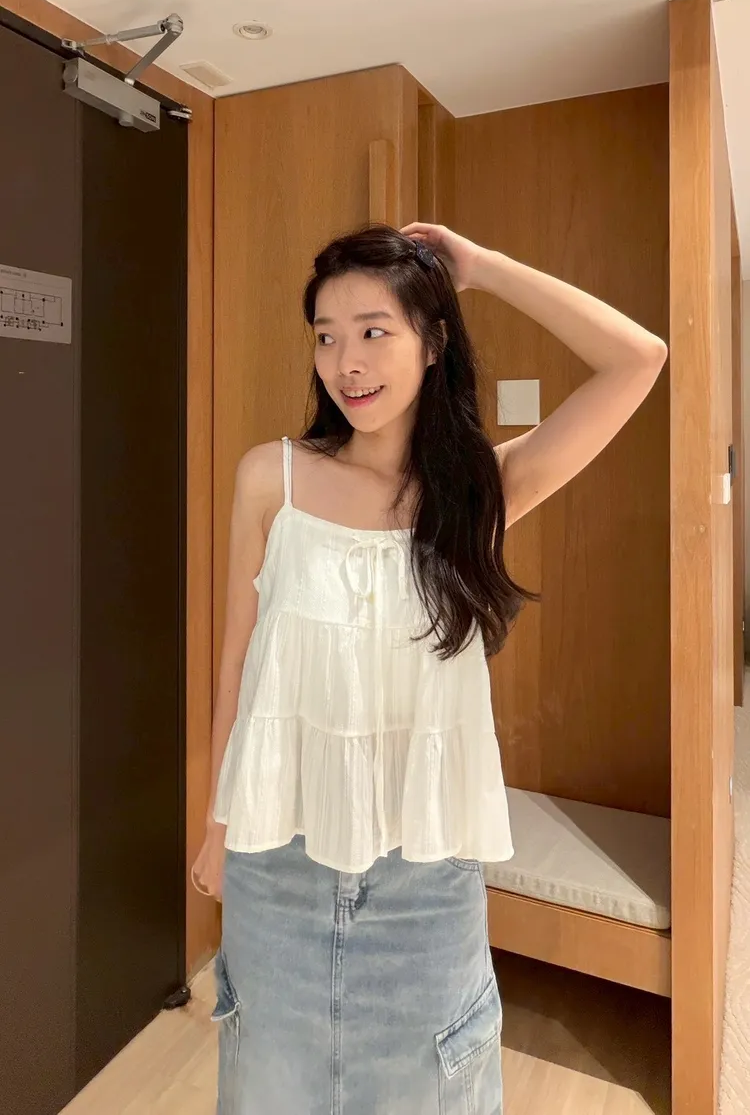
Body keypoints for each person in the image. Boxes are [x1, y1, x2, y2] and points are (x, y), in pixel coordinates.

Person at [192, 222, 667, 1115]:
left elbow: (639, 359)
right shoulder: (270, 479)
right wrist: (217, 824)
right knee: (268, 1090)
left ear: (433, 341)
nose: (347, 362)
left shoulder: (477, 495)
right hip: (276, 864)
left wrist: (482, 268)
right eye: (326, 335)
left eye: (375, 331)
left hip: (425, 876)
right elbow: (236, 670)